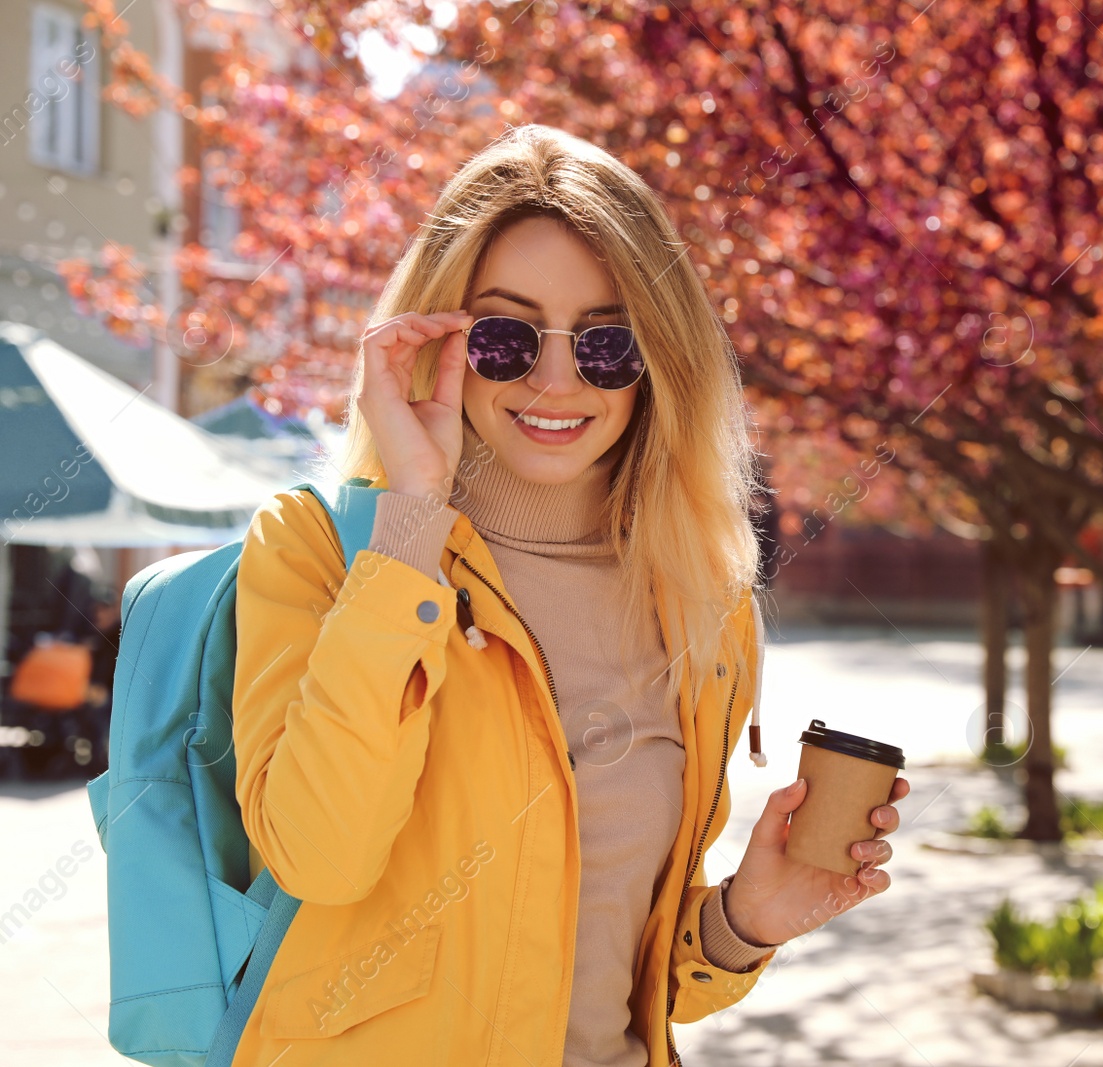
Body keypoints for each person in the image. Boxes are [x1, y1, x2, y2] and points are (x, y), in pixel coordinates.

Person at [227, 124, 910, 1066]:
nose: (555, 379)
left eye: (606, 343)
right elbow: (320, 854)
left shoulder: (700, 597)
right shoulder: (318, 553)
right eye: (505, 337)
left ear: (658, 360)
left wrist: (744, 922)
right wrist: (414, 513)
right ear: (442, 340)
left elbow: (611, 970)